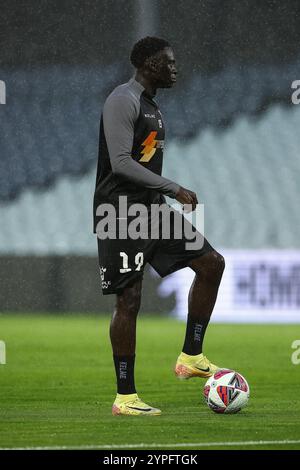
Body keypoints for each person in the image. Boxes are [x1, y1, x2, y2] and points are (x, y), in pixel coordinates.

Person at [93, 36, 225, 416]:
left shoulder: (152, 106)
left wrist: (164, 195)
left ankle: (192, 356)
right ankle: (126, 397)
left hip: (152, 210)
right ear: (149, 64)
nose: (175, 67)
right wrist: (174, 188)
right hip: (120, 213)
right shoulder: (123, 99)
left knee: (212, 263)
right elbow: (120, 162)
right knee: (129, 300)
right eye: (168, 62)